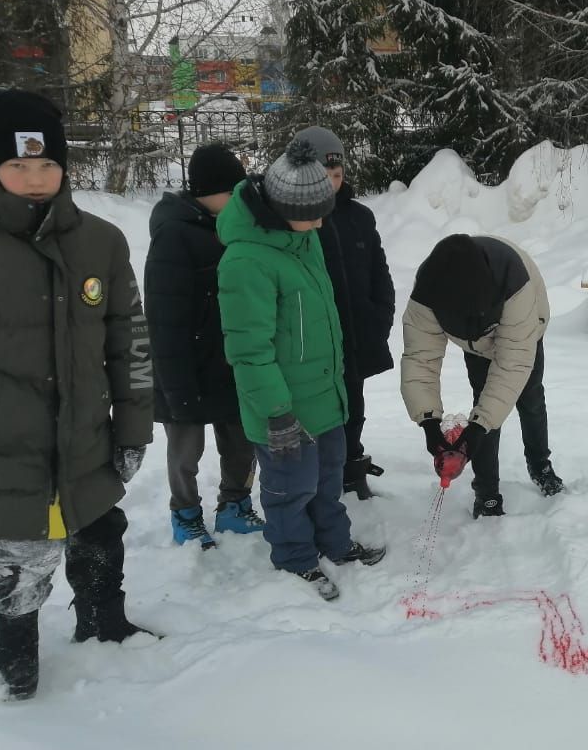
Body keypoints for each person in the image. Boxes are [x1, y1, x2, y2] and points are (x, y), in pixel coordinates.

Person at [0, 90, 156, 701]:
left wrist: (132, 427)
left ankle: (104, 621)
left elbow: (129, 342)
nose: (34, 179)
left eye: (46, 164)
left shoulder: (102, 241)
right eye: (18, 165)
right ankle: (14, 652)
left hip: (85, 428)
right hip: (2, 433)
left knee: (100, 527)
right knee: (20, 545)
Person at [217, 139, 384, 601]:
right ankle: (294, 559)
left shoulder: (302, 237)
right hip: (283, 408)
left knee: (328, 481)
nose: (321, 221)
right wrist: (276, 411)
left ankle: (333, 543)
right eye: (313, 212)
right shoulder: (246, 261)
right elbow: (249, 350)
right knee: (291, 489)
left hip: (323, 397)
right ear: (283, 206)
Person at [145, 144, 264, 549]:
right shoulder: (174, 234)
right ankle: (186, 514)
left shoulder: (238, 228)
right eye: (230, 193)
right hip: (185, 366)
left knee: (241, 441)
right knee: (185, 450)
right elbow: (164, 317)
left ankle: (234, 505)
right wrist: (176, 386)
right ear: (204, 191)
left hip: (230, 361)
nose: (237, 201)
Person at [400, 234, 564, 518]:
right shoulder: (429, 290)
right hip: (475, 346)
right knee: (483, 404)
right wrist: (428, 421)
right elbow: (420, 359)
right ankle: (487, 492)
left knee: (530, 399)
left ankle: (540, 465)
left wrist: (479, 426)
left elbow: (512, 366)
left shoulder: (514, 283)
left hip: (522, 331)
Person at [293, 127, 395, 500]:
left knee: (354, 404)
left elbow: (379, 272)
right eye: (323, 176)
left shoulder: (359, 217)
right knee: (319, 410)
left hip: (357, 333)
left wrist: (379, 316)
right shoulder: (295, 220)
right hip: (315, 340)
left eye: (336, 175)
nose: (332, 183)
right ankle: (319, 477)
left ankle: (352, 469)